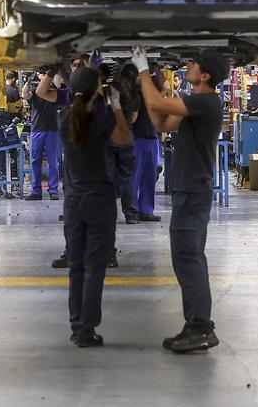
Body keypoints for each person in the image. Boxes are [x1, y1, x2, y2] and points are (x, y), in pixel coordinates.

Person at [133, 46, 228, 353]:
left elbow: (159, 102)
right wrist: (151, 86)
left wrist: (144, 72)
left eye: (193, 64)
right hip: (189, 191)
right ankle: (195, 325)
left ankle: (201, 328)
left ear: (206, 75)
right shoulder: (196, 104)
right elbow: (161, 122)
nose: (188, 65)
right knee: (187, 258)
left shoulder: (205, 101)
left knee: (189, 258)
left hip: (193, 192)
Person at [59, 66, 133, 347]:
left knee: (76, 266)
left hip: (73, 202)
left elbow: (80, 104)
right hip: (99, 200)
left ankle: (78, 327)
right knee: (95, 266)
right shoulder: (102, 120)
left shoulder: (65, 120)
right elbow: (125, 139)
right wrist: (115, 107)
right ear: (96, 90)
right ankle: (87, 328)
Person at [108, 62, 141, 224]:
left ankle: (107, 213)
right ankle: (131, 214)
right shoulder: (135, 92)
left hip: (110, 138)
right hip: (127, 137)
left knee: (108, 178)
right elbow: (134, 118)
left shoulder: (111, 88)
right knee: (127, 177)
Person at [132, 68, 164, 223]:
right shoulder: (135, 96)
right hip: (137, 140)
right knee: (135, 178)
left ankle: (146, 210)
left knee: (149, 178)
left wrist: (156, 67)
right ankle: (132, 211)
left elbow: (165, 86)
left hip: (151, 140)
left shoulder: (153, 97)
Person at [27, 67, 64, 200]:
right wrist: (29, 79)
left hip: (52, 131)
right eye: (41, 74)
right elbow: (25, 94)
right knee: (35, 161)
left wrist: (54, 69)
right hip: (37, 130)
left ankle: (53, 190)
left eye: (45, 74)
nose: (44, 76)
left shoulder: (54, 90)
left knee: (53, 162)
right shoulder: (34, 91)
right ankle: (36, 191)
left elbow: (58, 83)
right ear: (38, 76)